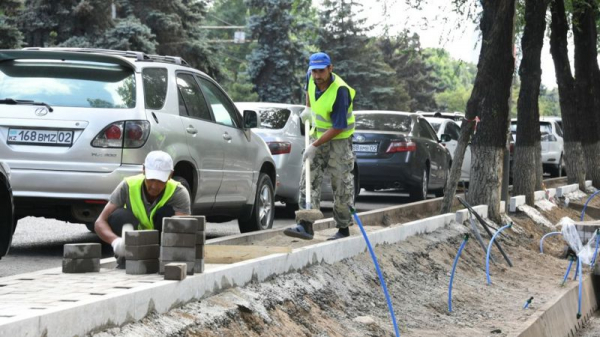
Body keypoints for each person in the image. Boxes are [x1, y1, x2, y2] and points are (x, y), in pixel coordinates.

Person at [285, 52, 356, 241]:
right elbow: (309, 91)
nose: (317, 76)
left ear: (330, 68)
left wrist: (315, 145)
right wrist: (307, 108)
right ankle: (305, 225)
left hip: (339, 139)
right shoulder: (311, 76)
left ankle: (343, 228)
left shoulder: (341, 91)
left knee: (341, 183)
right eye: (314, 71)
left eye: (321, 71)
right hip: (318, 136)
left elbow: (339, 126)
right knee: (308, 178)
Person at [95, 150, 191, 263]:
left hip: (161, 243)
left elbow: (184, 232)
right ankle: (127, 258)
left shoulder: (178, 192)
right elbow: (100, 222)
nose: (154, 186)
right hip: (133, 241)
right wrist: (116, 242)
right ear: (144, 170)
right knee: (118, 216)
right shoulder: (128, 185)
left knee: (170, 217)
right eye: (151, 179)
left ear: (170, 175)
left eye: (160, 180)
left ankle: (159, 259)